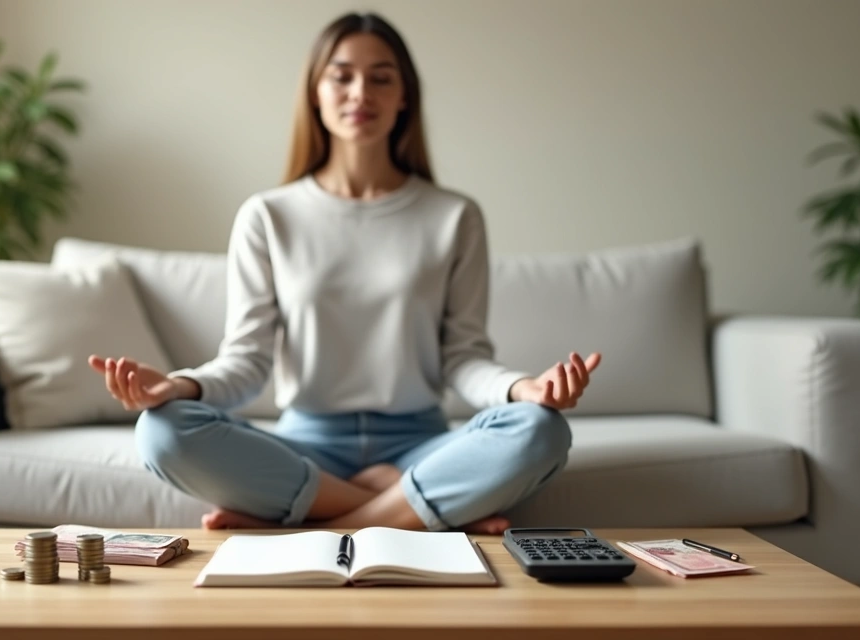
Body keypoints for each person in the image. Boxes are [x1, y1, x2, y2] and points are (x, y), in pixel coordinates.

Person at [88, 11, 601, 534]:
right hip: (309, 448)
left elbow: (464, 358)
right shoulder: (268, 215)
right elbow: (245, 362)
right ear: (315, 92)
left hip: (422, 443)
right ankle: (417, 507)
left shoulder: (454, 216)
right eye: (342, 76)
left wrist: (524, 390)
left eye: (381, 78)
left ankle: (314, 517)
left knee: (542, 431)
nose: (361, 93)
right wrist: (177, 387)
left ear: (405, 98)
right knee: (162, 432)